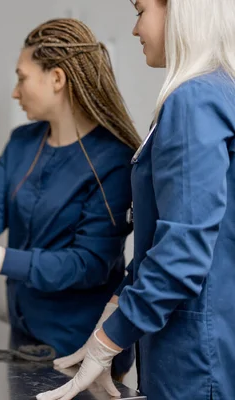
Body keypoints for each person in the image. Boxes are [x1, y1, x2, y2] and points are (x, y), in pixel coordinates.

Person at [36, 0, 235, 399]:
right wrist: (116, 310)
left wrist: (109, 340)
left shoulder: (192, 99)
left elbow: (183, 250)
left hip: (194, 359)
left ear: (180, 11)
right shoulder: (219, 91)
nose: (135, 29)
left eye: (140, 11)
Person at [0, 18, 141, 382]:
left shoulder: (113, 160)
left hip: (81, 349)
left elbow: (87, 264)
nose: (14, 92)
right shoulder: (22, 143)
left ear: (56, 79)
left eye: (22, 78)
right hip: (25, 338)